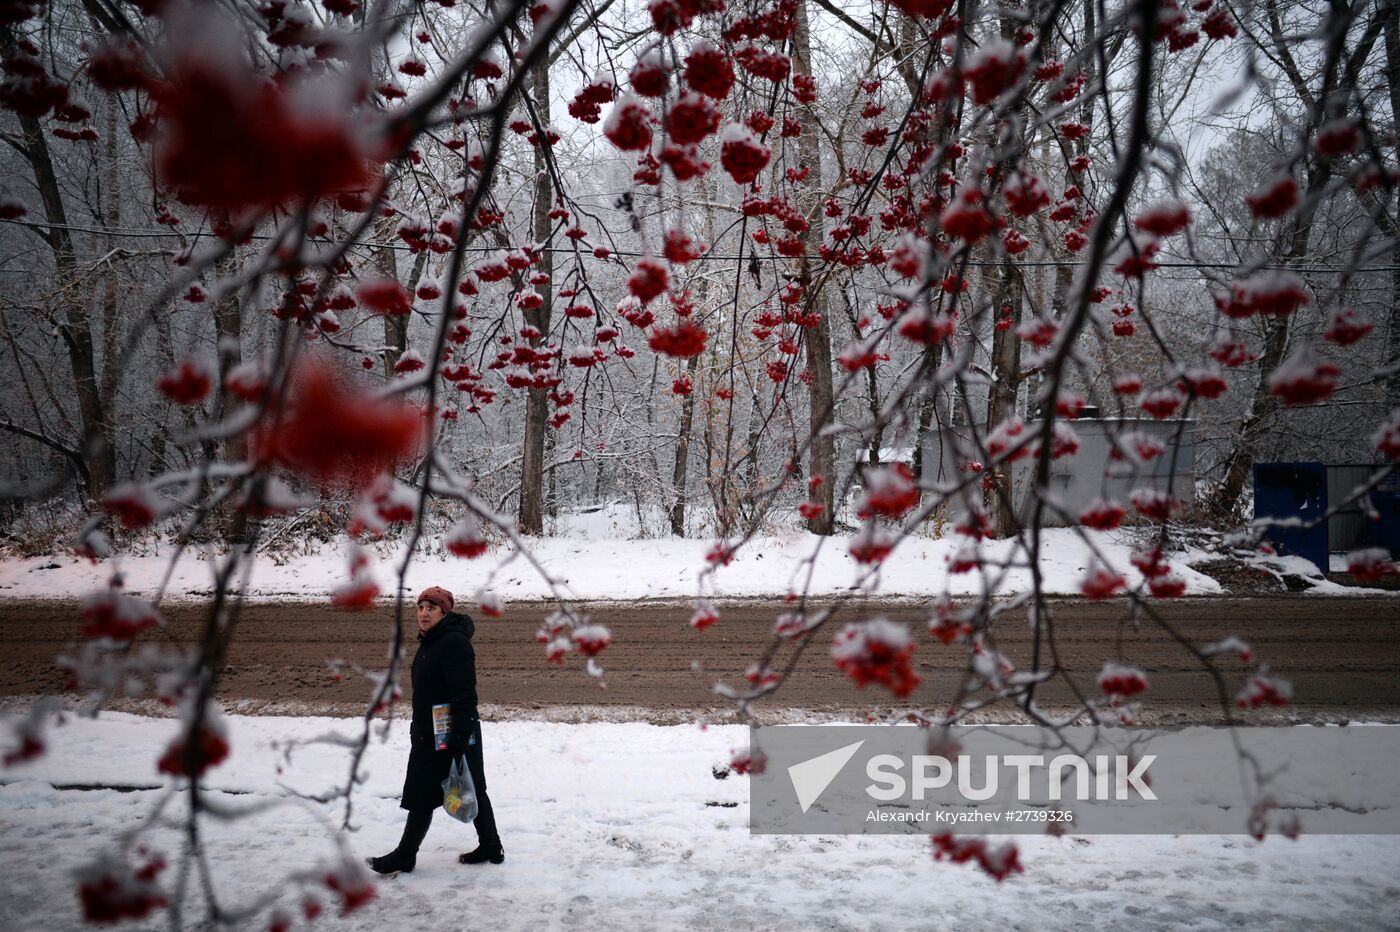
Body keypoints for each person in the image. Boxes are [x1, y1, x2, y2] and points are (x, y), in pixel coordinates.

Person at [367, 586, 503, 875]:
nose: (424, 613)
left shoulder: (453, 643)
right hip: (433, 732)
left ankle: (406, 855)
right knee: (466, 787)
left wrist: (458, 738)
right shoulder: (433, 641)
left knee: (430, 792)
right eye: (420, 607)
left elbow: (465, 694)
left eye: (431, 608)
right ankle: (491, 845)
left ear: (444, 612)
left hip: (451, 734)